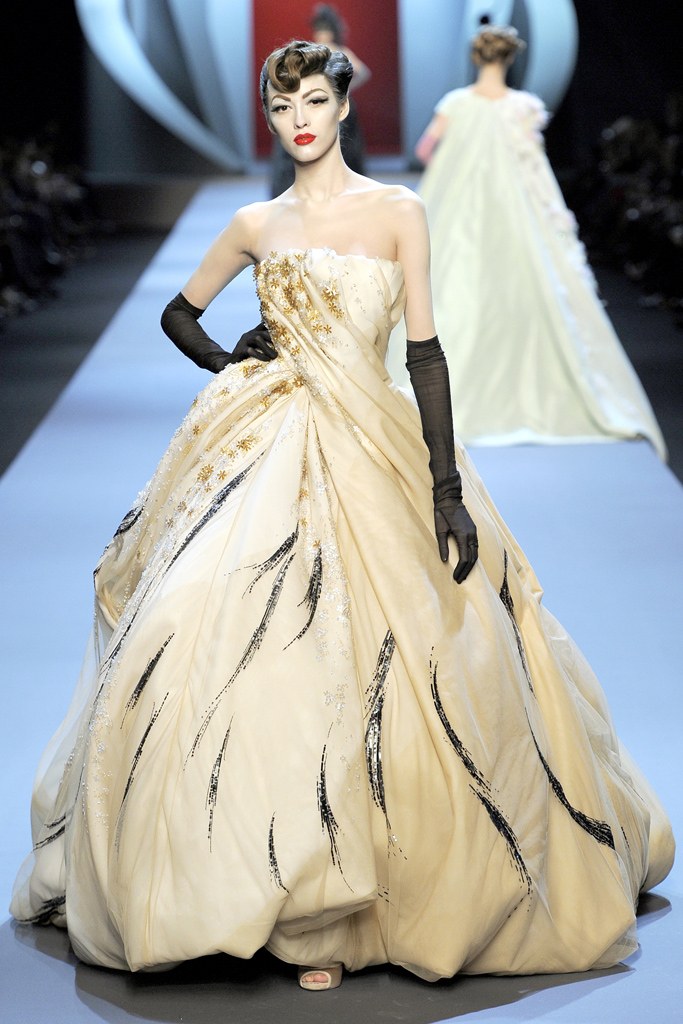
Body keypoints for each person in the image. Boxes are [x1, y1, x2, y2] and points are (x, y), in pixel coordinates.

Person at [11, 40, 673, 993]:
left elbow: (426, 355)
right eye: (283, 109)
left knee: (402, 646)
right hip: (270, 438)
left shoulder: (399, 211)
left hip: (374, 444)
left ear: (343, 106)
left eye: (314, 102)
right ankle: (259, 891)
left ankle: (353, 896)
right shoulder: (255, 221)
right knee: (210, 630)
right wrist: (232, 362)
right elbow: (178, 313)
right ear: (269, 117)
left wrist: (445, 488)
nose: (300, 122)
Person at [386, 25, 667, 457]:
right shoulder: (523, 107)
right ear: (511, 59)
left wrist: (457, 162)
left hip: (459, 210)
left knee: (448, 285)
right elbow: (537, 172)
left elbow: (424, 151)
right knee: (526, 289)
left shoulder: (456, 103)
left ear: (476, 58)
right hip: (514, 216)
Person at [269, 4, 370, 197]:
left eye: (324, 31)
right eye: (319, 31)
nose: (321, 35)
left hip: (330, 111)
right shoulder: (328, 52)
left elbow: (363, 72)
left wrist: (343, 90)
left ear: (331, 32)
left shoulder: (326, 52)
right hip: (324, 108)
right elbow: (363, 73)